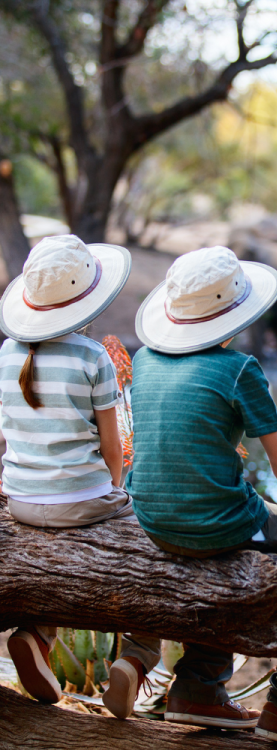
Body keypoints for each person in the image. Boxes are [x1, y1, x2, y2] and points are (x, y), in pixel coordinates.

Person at [126, 246, 277, 743]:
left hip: (151, 519)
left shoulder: (144, 359)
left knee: (220, 555)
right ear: (234, 313)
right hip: (217, 521)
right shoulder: (238, 369)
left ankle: (199, 690)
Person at [0, 234, 161, 718]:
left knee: (50, 555)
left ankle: (36, 633)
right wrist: (115, 491)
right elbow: (113, 447)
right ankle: (136, 657)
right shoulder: (92, 358)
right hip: (86, 500)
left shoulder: (6, 353)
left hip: (22, 500)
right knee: (152, 555)